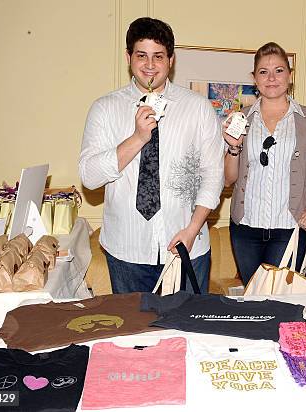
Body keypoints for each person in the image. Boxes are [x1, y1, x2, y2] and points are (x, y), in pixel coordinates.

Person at [79, 17, 224, 294]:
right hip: (127, 250)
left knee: (189, 334)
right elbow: (90, 177)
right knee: (136, 335)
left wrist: (192, 230)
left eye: (158, 56)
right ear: (128, 57)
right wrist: (137, 138)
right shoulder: (105, 109)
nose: (149, 65)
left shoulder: (198, 108)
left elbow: (213, 175)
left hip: (188, 248)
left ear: (171, 59)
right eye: (141, 55)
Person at [224, 42, 306, 286]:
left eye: (279, 70)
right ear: (255, 79)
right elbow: (229, 178)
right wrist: (233, 146)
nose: (271, 78)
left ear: (290, 76)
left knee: (280, 301)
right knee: (253, 299)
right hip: (245, 228)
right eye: (263, 72)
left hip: (290, 228)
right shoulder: (239, 120)